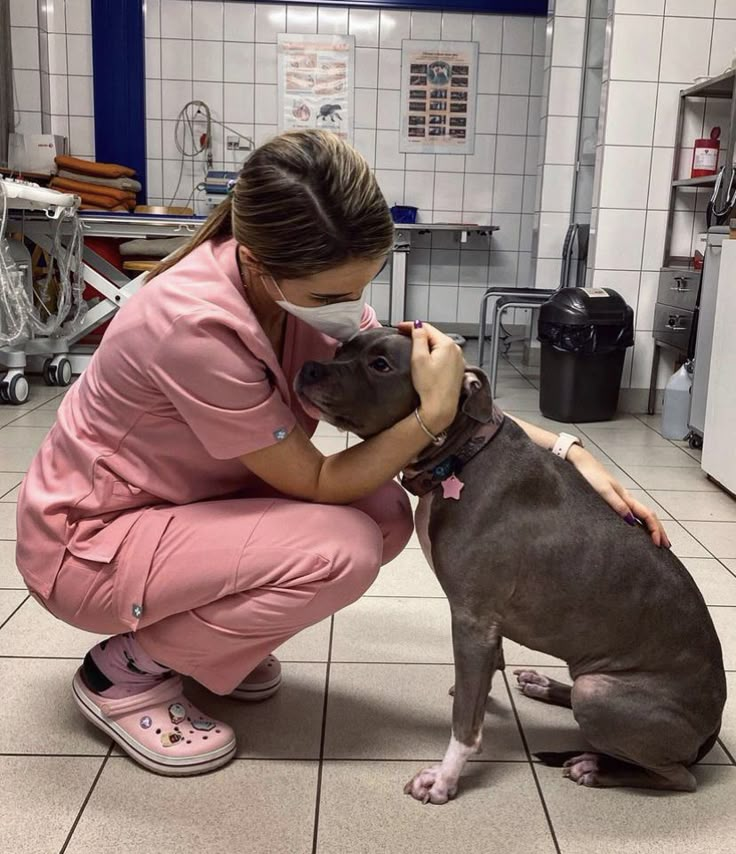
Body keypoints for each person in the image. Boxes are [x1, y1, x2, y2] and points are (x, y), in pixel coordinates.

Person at [16, 130, 668, 777]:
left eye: (361, 288)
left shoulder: (301, 290)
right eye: (331, 297)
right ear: (256, 262)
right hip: (92, 539)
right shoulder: (194, 325)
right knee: (341, 549)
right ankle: (124, 673)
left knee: (385, 510)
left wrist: (568, 449)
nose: (348, 311)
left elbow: (427, 385)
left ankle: (204, 646)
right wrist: (433, 418)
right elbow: (324, 477)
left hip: (193, 502)